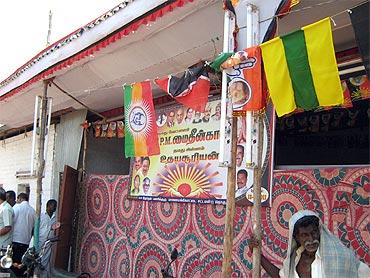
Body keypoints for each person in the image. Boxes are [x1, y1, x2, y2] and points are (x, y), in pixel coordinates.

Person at [249, 210, 370, 278]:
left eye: (313, 233)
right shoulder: (294, 260)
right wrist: (258, 255)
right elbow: (281, 277)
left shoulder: (340, 256)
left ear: (319, 231)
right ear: (296, 237)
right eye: (305, 235)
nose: (311, 239)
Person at [12, 192, 36, 276]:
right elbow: (34, 227)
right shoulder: (33, 211)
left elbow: (11, 223)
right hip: (26, 242)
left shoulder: (16, 207)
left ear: (19, 199)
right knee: (23, 265)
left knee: (14, 265)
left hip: (15, 241)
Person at [38, 199, 59, 278]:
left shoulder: (54, 217)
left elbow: (53, 228)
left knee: (45, 263)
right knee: (38, 261)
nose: (54, 208)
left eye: (55, 207)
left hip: (48, 243)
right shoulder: (41, 215)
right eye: (53, 206)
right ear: (48, 206)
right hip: (39, 242)